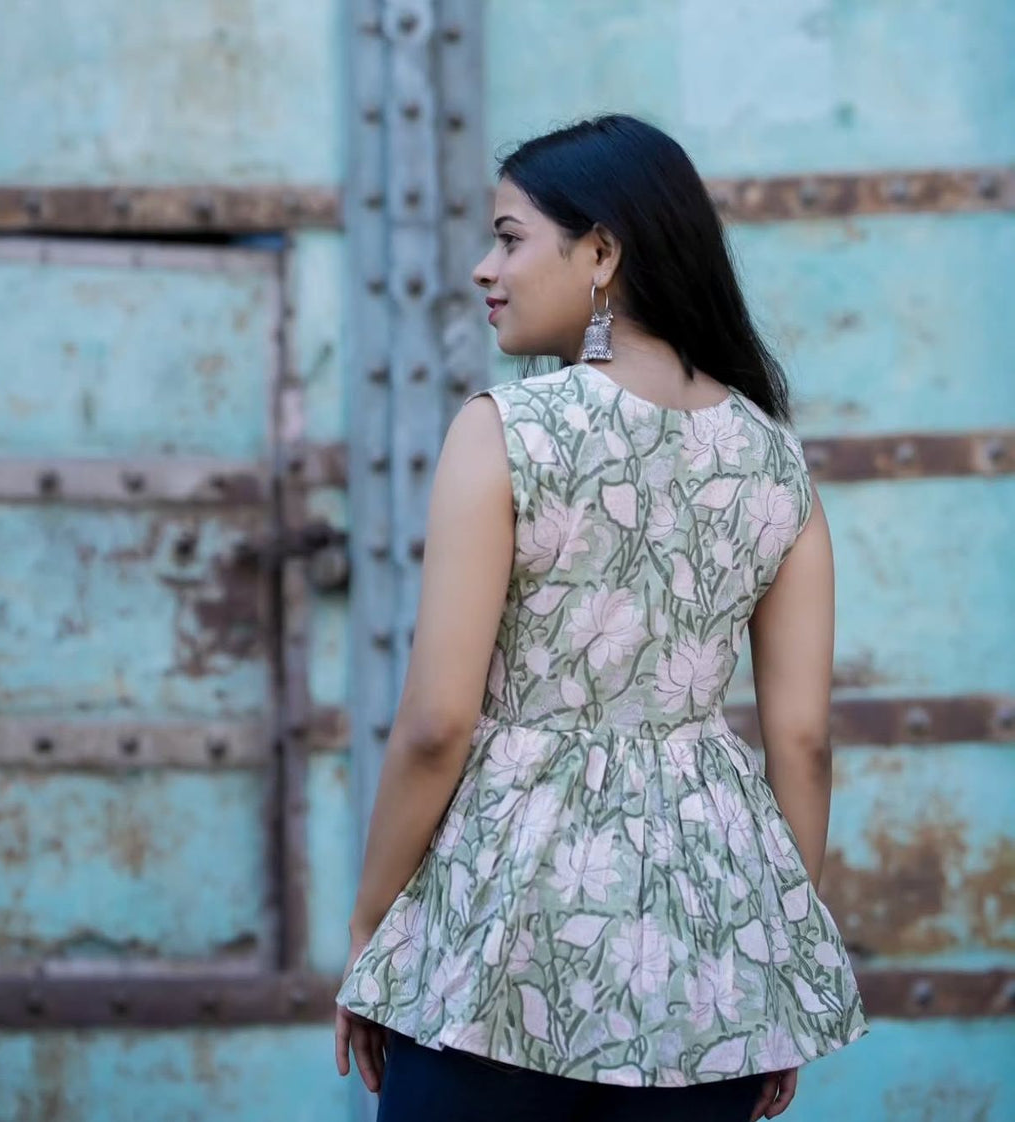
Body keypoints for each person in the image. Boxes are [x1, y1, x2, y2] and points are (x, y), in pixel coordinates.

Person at [335, 113, 869, 1122]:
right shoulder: (772, 455)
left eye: (508, 235)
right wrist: (777, 964)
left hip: (497, 938)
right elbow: (801, 738)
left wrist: (372, 927)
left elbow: (436, 723)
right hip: (710, 946)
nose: (484, 268)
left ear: (602, 252)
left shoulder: (508, 430)